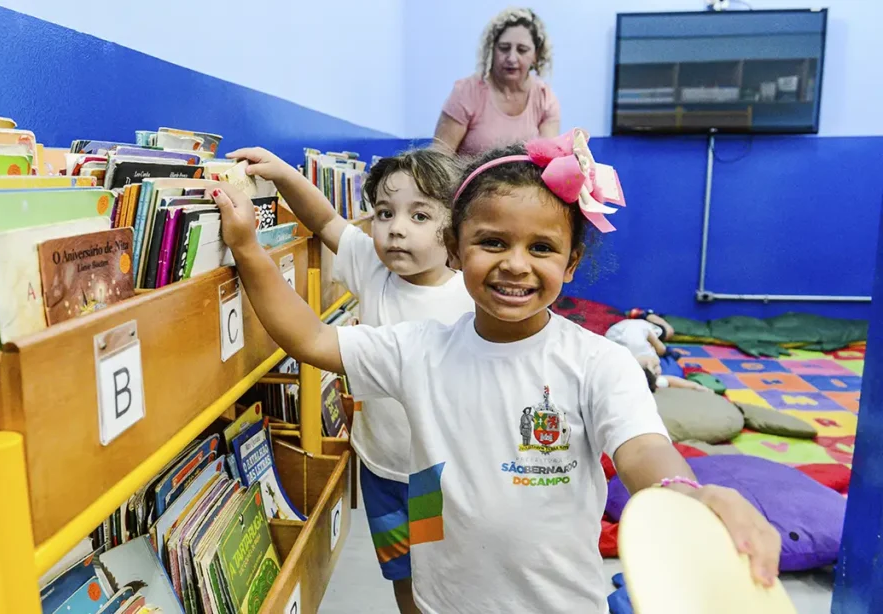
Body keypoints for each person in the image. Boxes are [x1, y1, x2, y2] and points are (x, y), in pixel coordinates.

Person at [211, 129, 781, 614]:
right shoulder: (417, 349)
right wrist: (246, 247)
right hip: (442, 596)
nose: (515, 263)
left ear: (571, 262)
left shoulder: (597, 361)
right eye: (491, 242)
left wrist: (685, 493)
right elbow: (310, 337)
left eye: (541, 247)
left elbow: (642, 449)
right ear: (455, 251)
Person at [225, 145, 474, 614]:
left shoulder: (469, 294)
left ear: (458, 228)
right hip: (380, 466)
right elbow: (322, 221)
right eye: (384, 212)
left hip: (440, 477)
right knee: (402, 575)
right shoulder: (374, 268)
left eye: (420, 216)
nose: (396, 228)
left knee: (444, 580)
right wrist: (281, 175)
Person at [434, 7, 561, 158]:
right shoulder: (467, 92)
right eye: (504, 48)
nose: (512, 58)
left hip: (524, 181)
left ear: (536, 55)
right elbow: (439, 159)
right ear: (492, 50)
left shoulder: (545, 99)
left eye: (522, 50)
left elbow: (548, 161)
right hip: (469, 181)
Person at [605, 314, 711, 391]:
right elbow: (670, 380)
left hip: (640, 326)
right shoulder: (642, 376)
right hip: (616, 331)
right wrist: (697, 387)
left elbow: (660, 349)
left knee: (668, 332)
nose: (659, 371)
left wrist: (665, 351)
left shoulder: (645, 353)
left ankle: (648, 315)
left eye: (656, 367)